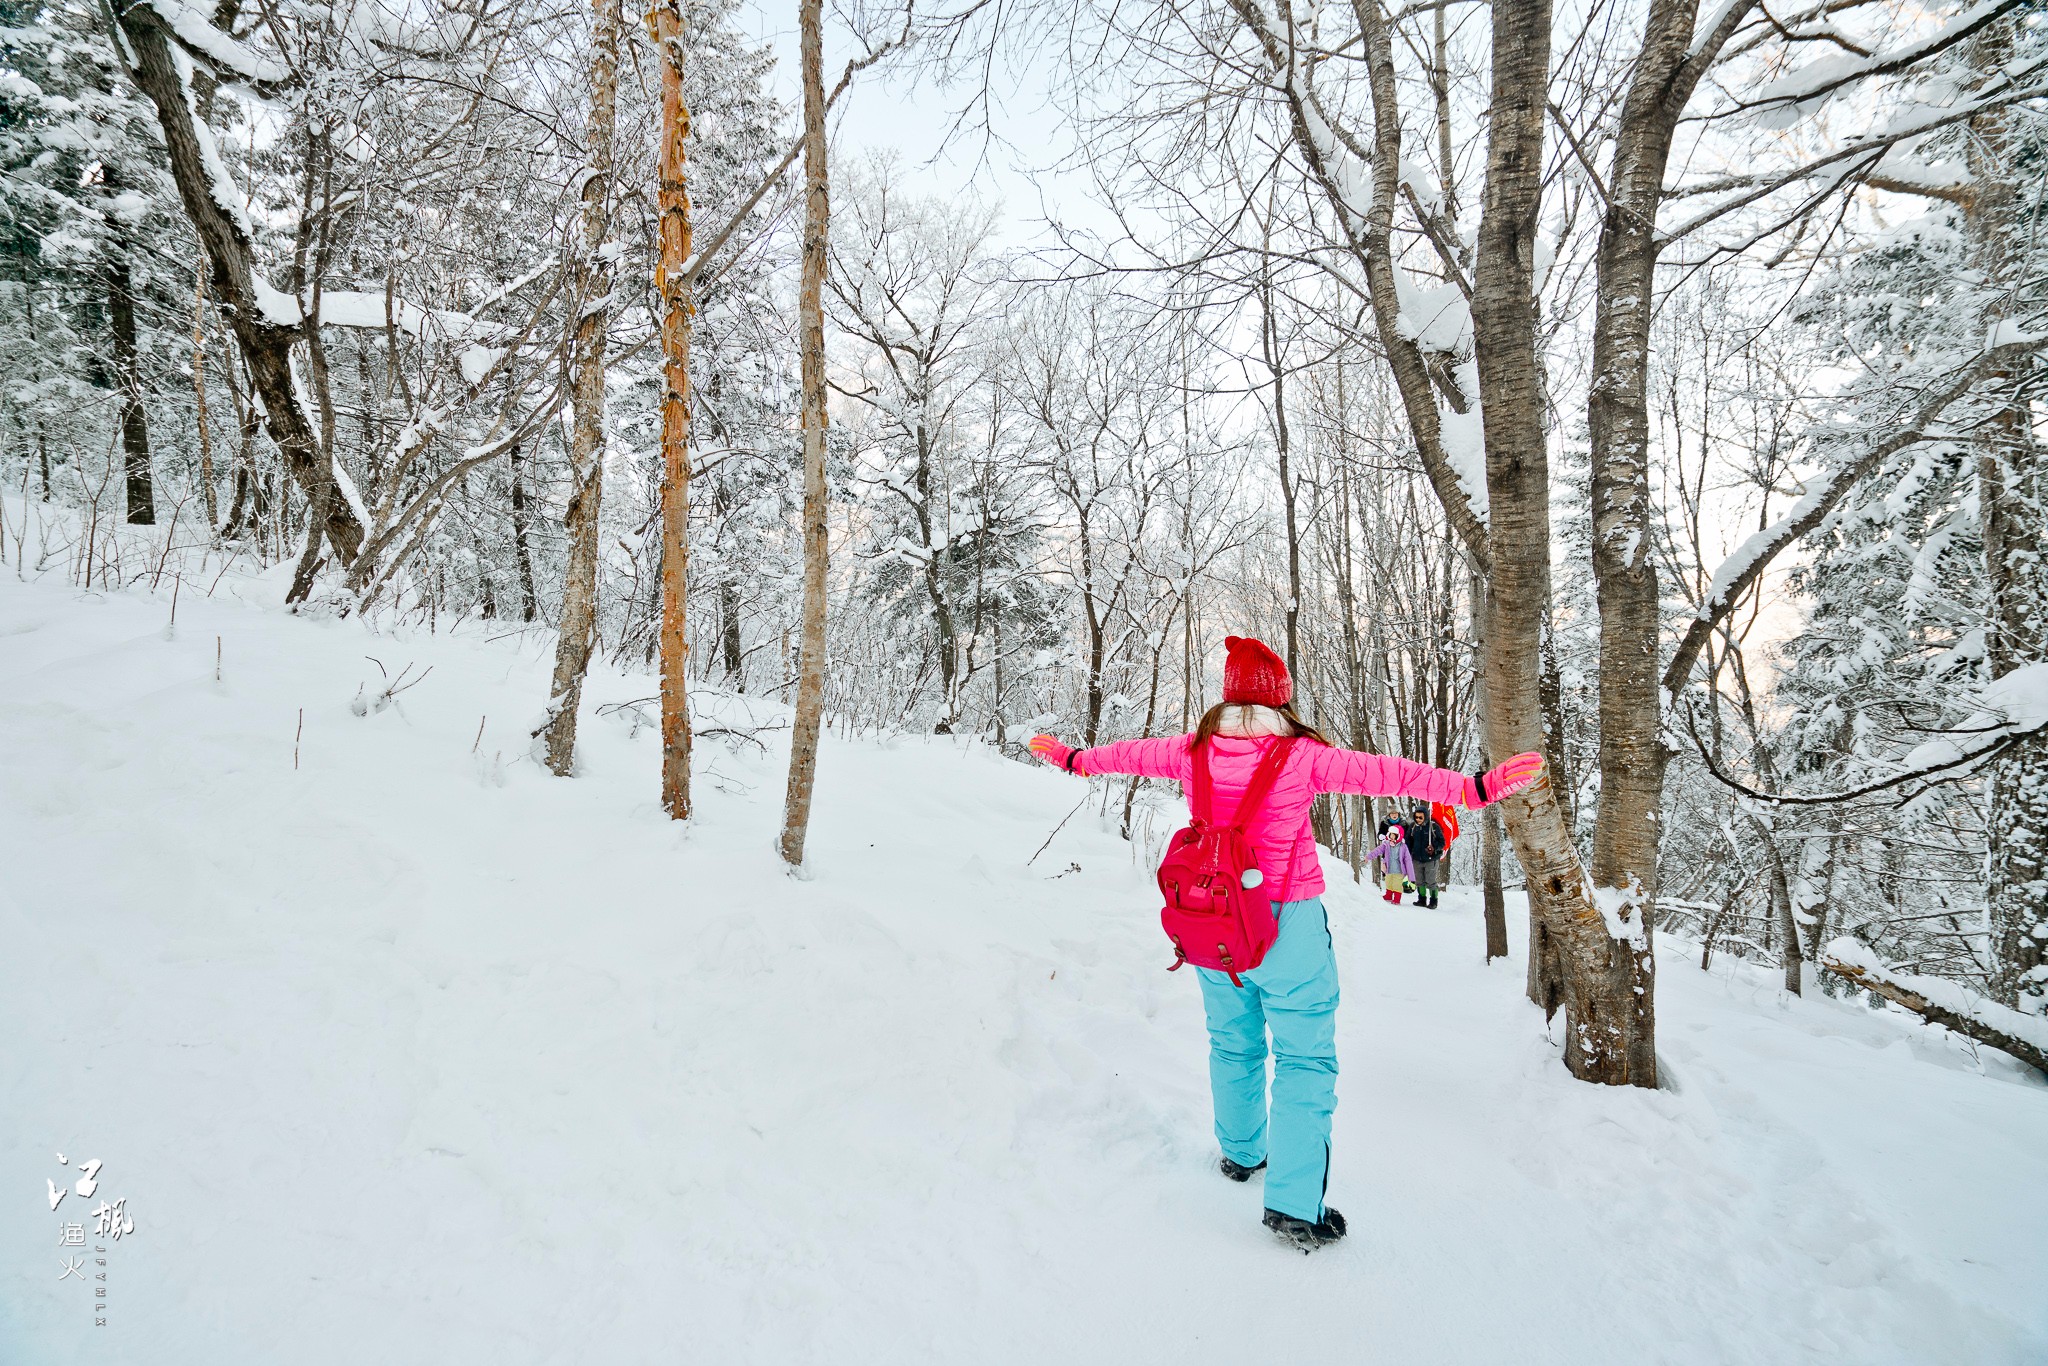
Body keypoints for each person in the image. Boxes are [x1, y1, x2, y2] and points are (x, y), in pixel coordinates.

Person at [1027, 635, 1544, 1252]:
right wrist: (1471, 790)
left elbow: (1123, 757)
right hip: (1287, 923)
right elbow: (1386, 774)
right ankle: (1296, 1206)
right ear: (1281, 698)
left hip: (1212, 921)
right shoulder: (1302, 756)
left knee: (1231, 1040)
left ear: (1228, 697)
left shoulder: (1190, 752)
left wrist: (1070, 758)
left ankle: (1242, 1155)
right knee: (1304, 1058)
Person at [1407, 803, 1448, 908]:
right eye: (1416, 817)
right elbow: (1408, 842)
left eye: (1420, 817)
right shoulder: (1413, 827)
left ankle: (1433, 901)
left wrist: (1434, 847)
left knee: (1430, 881)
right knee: (1419, 881)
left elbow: (1442, 842)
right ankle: (1421, 899)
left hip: (1431, 859)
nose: (1418, 819)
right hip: (1416, 859)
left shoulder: (1433, 826)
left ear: (1425, 816)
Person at [1372, 822, 1414, 904]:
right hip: (1389, 869)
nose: (1391, 836)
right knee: (1388, 882)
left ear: (1398, 836)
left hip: (1399, 870)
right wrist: (1369, 856)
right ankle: (1388, 895)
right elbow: (1378, 850)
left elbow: (1408, 860)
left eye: (1393, 835)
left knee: (1397, 885)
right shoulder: (1386, 844)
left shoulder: (1403, 846)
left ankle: (1397, 898)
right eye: (1390, 834)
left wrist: (1411, 876)